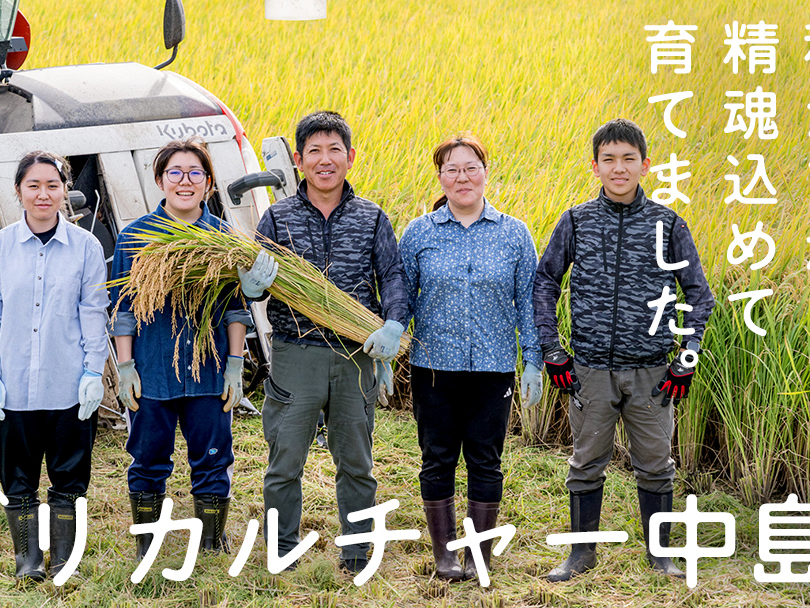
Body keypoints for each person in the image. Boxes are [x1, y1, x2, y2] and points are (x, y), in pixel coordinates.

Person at [534, 119, 714, 581]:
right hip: (590, 369)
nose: (619, 168)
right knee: (585, 464)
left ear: (645, 165)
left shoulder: (668, 224)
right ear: (595, 166)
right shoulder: (576, 221)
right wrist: (553, 349)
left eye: (628, 159)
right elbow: (545, 283)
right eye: (609, 159)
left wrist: (686, 357)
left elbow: (698, 293)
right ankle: (580, 555)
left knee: (656, 466)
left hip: (653, 372)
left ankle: (660, 556)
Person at [237, 111, 409, 574]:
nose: (325, 159)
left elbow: (392, 276)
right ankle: (281, 549)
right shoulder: (277, 217)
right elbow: (252, 284)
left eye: (335, 150)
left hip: (355, 357)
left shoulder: (372, 217)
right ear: (299, 160)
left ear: (350, 158)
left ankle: (356, 552)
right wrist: (251, 284)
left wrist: (393, 323)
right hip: (295, 355)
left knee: (356, 461)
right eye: (314, 150)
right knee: (284, 461)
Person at [397, 133, 543, 581]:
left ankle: (479, 553)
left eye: (471, 167)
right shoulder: (420, 232)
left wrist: (533, 359)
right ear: (439, 177)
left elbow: (529, 302)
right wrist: (389, 348)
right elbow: (401, 298)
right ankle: (445, 555)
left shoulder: (514, 234)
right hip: (434, 367)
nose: (462, 177)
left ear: (485, 173)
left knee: (486, 458)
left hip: (493, 367)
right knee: (437, 457)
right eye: (452, 169)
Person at [109, 139, 252, 561]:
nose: (185, 181)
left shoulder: (224, 239)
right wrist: (126, 365)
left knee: (213, 457)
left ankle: (211, 540)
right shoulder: (136, 237)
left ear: (208, 183)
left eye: (195, 173)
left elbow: (235, 309)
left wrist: (235, 364)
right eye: (175, 172)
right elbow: (123, 308)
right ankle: (146, 544)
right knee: (148, 458)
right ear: (160, 180)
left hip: (208, 372)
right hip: (152, 372)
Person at [0, 151, 109, 581]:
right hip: (12, 386)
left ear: (65, 191)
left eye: (53, 185)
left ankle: (65, 559)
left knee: (69, 478)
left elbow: (93, 313)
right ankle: (28, 561)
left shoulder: (86, 247)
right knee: (18, 479)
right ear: (18, 192)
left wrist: (92, 372)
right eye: (33, 185)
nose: (43, 194)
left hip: (67, 385)